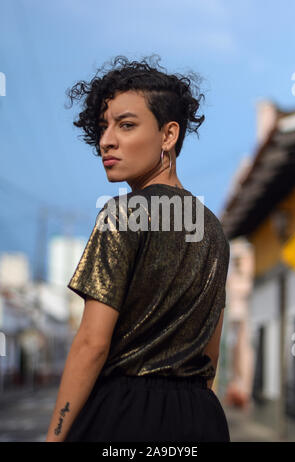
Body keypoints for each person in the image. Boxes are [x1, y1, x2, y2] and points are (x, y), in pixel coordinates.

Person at [46, 55, 231, 442]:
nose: (106, 140)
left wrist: (55, 436)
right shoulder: (213, 230)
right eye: (102, 127)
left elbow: (92, 345)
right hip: (201, 419)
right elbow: (209, 355)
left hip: (123, 416)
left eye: (126, 125)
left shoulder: (123, 215)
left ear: (169, 135)